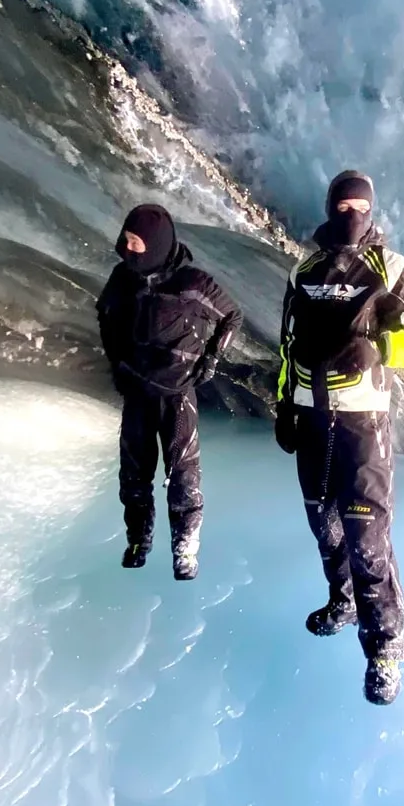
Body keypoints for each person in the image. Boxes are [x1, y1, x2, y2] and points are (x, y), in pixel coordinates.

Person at [275, 170, 404, 706]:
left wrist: (382, 348)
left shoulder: (394, 267)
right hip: (311, 420)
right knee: (326, 529)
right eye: (342, 204)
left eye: (359, 205)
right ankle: (341, 603)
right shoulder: (304, 267)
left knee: (368, 543)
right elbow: (287, 343)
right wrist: (283, 405)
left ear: (372, 210)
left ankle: (387, 647)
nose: (350, 212)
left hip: (364, 424)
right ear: (328, 206)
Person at [96, 204, 242, 580]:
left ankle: (185, 552)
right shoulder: (122, 278)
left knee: (183, 479)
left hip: (176, 396)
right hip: (137, 395)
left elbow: (231, 316)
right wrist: (117, 363)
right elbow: (105, 314)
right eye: (126, 240)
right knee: (133, 477)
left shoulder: (192, 283)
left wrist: (211, 359)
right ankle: (138, 540)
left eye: (138, 243)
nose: (129, 250)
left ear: (158, 245)